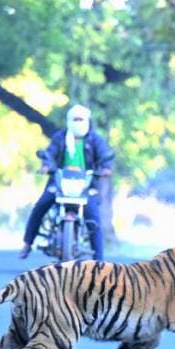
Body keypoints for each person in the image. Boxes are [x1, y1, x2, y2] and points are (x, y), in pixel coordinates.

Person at [20, 104, 114, 261]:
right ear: (69, 121)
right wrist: (46, 166)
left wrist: (105, 168)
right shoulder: (60, 138)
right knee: (40, 207)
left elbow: (105, 155)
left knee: (94, 220)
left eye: (81, 119)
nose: (78, 122)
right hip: (59, 184)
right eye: (75, 119)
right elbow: (50, 154)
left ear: (87, 121)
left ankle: (100, 262)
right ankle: (27, 243)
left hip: (86, 186)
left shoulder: (95, 140)